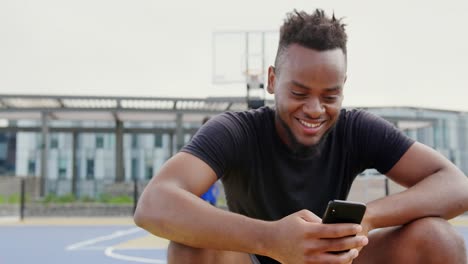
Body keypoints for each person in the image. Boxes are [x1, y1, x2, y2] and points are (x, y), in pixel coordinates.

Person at [134, 9, 468, 264]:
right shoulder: (235, 130)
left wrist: (369, 217)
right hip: (254, 255)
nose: (314, 109)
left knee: (438, 239)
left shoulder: (356, 128)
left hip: (334, 260)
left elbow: (456, 185)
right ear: (272, 80)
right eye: (299, 91)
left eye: (330, 95)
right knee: (189, 248)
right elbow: (154, 203)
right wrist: (273, 240)